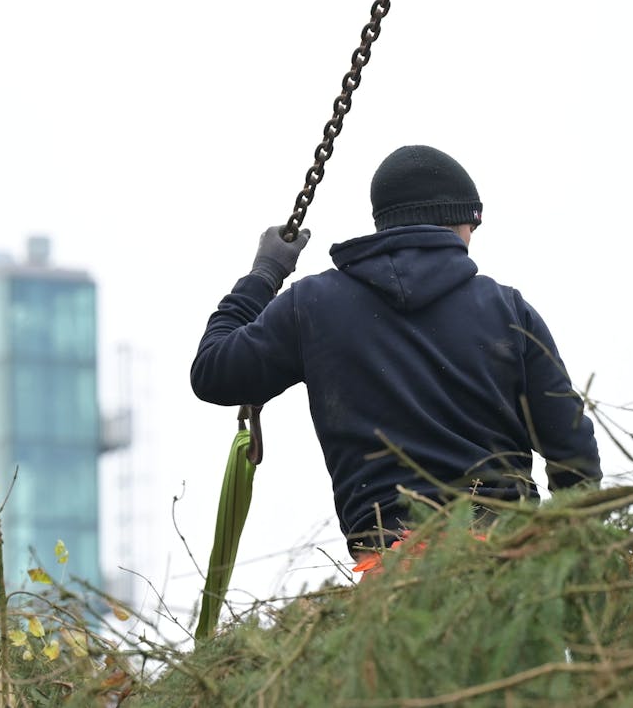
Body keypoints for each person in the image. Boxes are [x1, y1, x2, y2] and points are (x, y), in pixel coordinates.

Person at [190, 145, 601, 563]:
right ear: (459, 222)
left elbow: (213, 371)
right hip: (508, 559)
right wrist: (573, 550)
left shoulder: (314, 304)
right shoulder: (506, 309)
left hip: (391, 572)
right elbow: (572, 448)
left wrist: (264, 274)